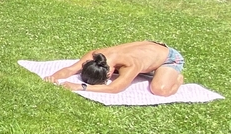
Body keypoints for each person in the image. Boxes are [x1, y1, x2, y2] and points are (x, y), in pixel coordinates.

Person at [43, 41, 185, 96]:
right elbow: (70, 69)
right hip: (150, 48)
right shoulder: (95, 56)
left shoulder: (130, 64)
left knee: (159, 90)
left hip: (169, 57)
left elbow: (115, 88)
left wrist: (81, 87)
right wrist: (54, 77)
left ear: (109, 73)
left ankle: (177, 78)